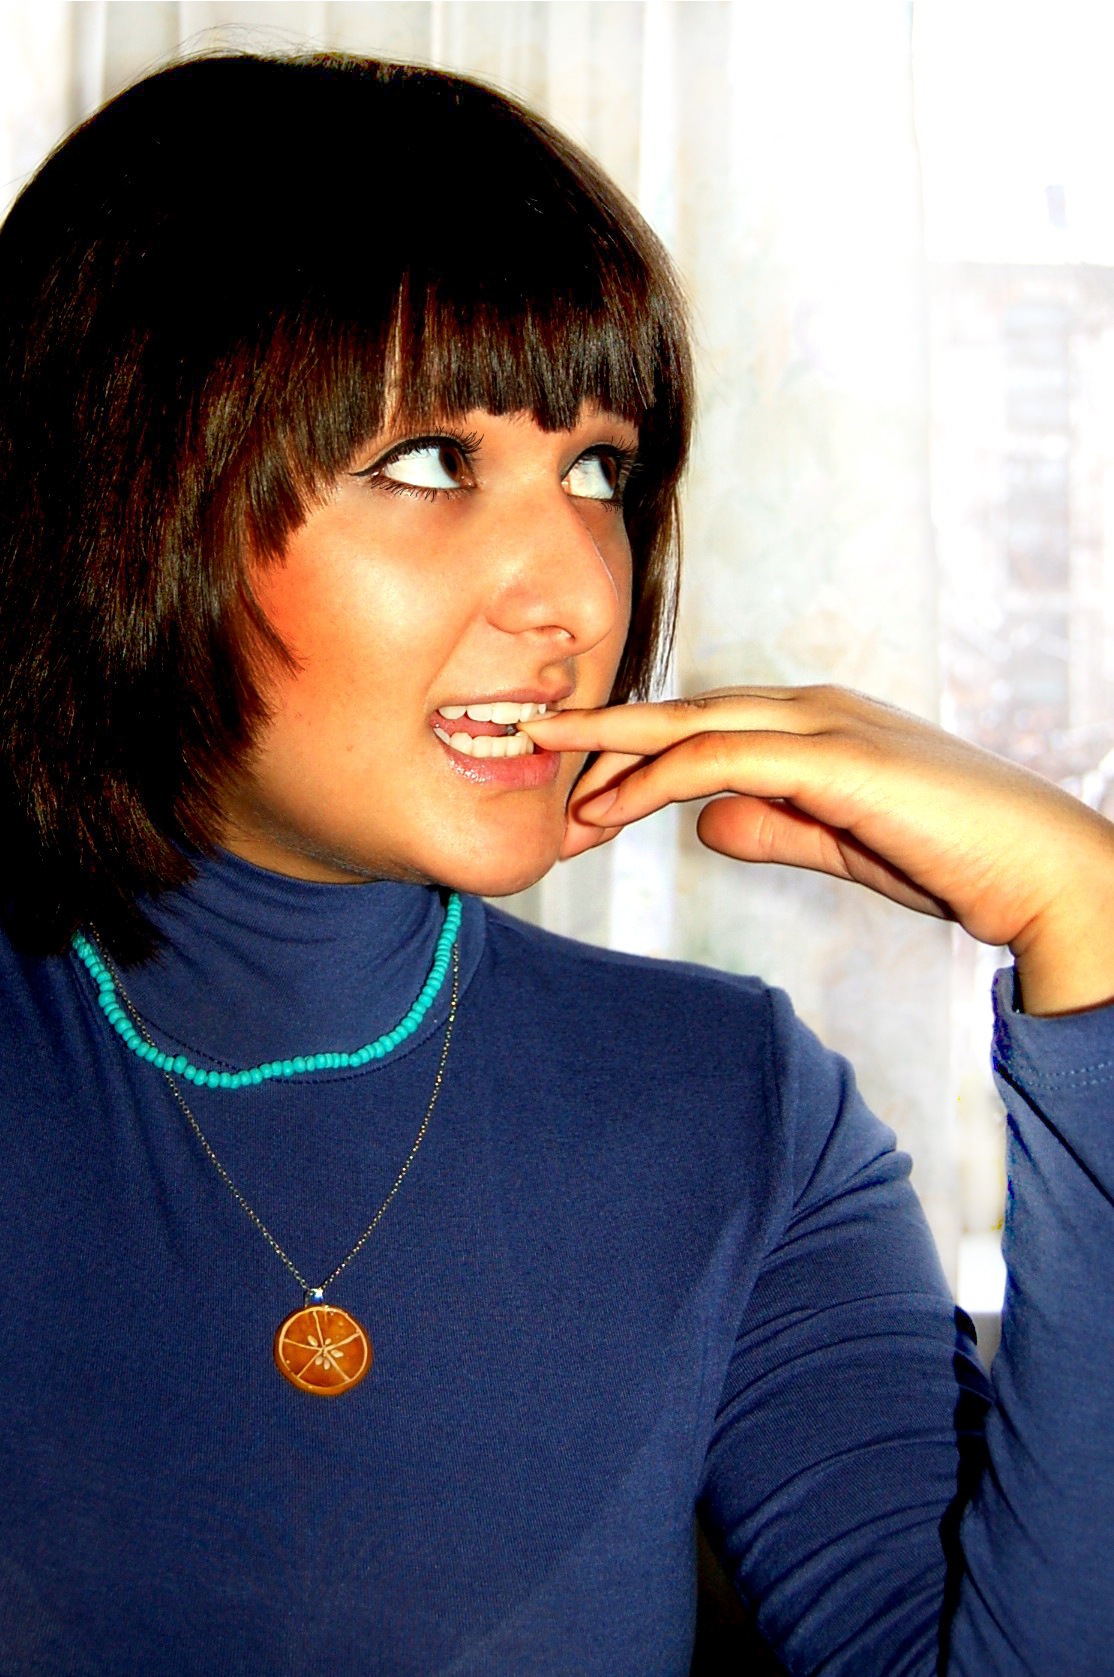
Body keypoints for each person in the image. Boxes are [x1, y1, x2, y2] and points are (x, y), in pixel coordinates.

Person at [0, 49, 1110, 1677]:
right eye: (428, 464)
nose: (578, 594)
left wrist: (1090, 925)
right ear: (121, 491)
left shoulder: (729, 1109)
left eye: (598, 469)